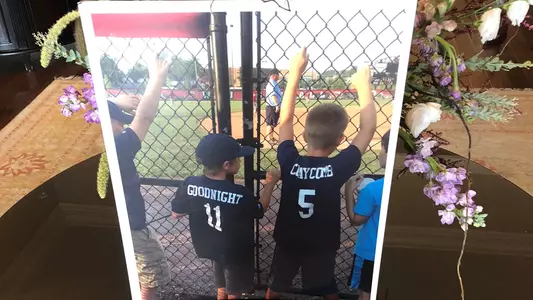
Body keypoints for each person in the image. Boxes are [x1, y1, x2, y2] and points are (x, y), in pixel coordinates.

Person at [265, 47, 377, 300]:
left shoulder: (289, 160)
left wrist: (294, 73)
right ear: (340, 140)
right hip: (322, 243)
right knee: (326, 287)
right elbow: (368, 128)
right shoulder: (338, 167)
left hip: (288, 238)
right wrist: (363, 84)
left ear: (304, 136)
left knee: (277, 284)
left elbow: (286, 119)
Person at [170, 133, 281, 300]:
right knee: (234, 291)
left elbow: (176, 213)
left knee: (221, 283)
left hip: (209, 247)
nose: (240, 161)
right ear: (227, 165)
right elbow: (259, 210)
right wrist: (270, 184)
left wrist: (201, 202)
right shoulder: (240, 193)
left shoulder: (190, 183)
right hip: (234, 251)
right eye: (238, 158)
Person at [110, 55, 171, 300]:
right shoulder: (117, 146)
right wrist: (157, 77)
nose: (124, 128)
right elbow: (144, 117)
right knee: (149, 280)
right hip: (133, 228)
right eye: (119, 123)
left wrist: (112, 101)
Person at [344, 130, 390, 300]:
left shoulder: (373, 189)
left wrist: (349, 191)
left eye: (382, 148)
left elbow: (356, 219)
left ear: (386, 150)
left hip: (370, 252)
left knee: (366, 292)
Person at [265, 69, 283, 144]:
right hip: (272, 106)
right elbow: (273, 96)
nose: (279, 76)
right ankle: (269, 138)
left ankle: (271, 137)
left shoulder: (274, 83)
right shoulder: (271, 84)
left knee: (273, 123)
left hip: (274, 106)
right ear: (274, 75)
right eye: (278, 74)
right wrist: (277, 105)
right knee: (270, 123)